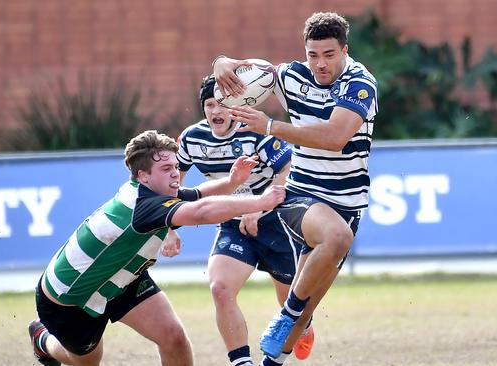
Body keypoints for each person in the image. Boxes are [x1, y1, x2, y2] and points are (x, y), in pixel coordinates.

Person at [28, 129, 286, 366]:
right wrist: (257, 202)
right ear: (143, 175)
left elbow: (197, 194)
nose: (175, 173)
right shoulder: (143, 206)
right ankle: (43, 340)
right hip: (71, 299)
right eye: (166, 168)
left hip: (123, 279)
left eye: (175, 166)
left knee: (174, 338)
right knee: (85, 361)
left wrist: (232, 181)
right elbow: (201, 212)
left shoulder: (152, 192)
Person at [212, 12, 378, 365]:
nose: (320, 64)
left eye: (329, 55)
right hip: (300, 193)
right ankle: (286, 315)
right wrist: (221, 63)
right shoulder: (290, 75)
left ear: (345, 50)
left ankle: (282, 339)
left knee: (305, 312)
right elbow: (242, 69)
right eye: (312, 55)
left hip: (347, 204)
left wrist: (271, 126)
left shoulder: (360, 84)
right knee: (336, 240)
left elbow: (335, 138)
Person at [163, 75, 312, 365]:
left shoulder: (254, 131)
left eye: (222, 104)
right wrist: (169, 228)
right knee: (220, 288)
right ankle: (241, 362)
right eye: (209, 105)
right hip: (233, 223)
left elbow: (288, 170)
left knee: (292, 305)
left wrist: (259, 206)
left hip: (275, 221)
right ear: (202, 108)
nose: (216, 111)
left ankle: (303, 325)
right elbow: (173, 184)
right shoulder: (193, 138)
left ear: (234, 105)